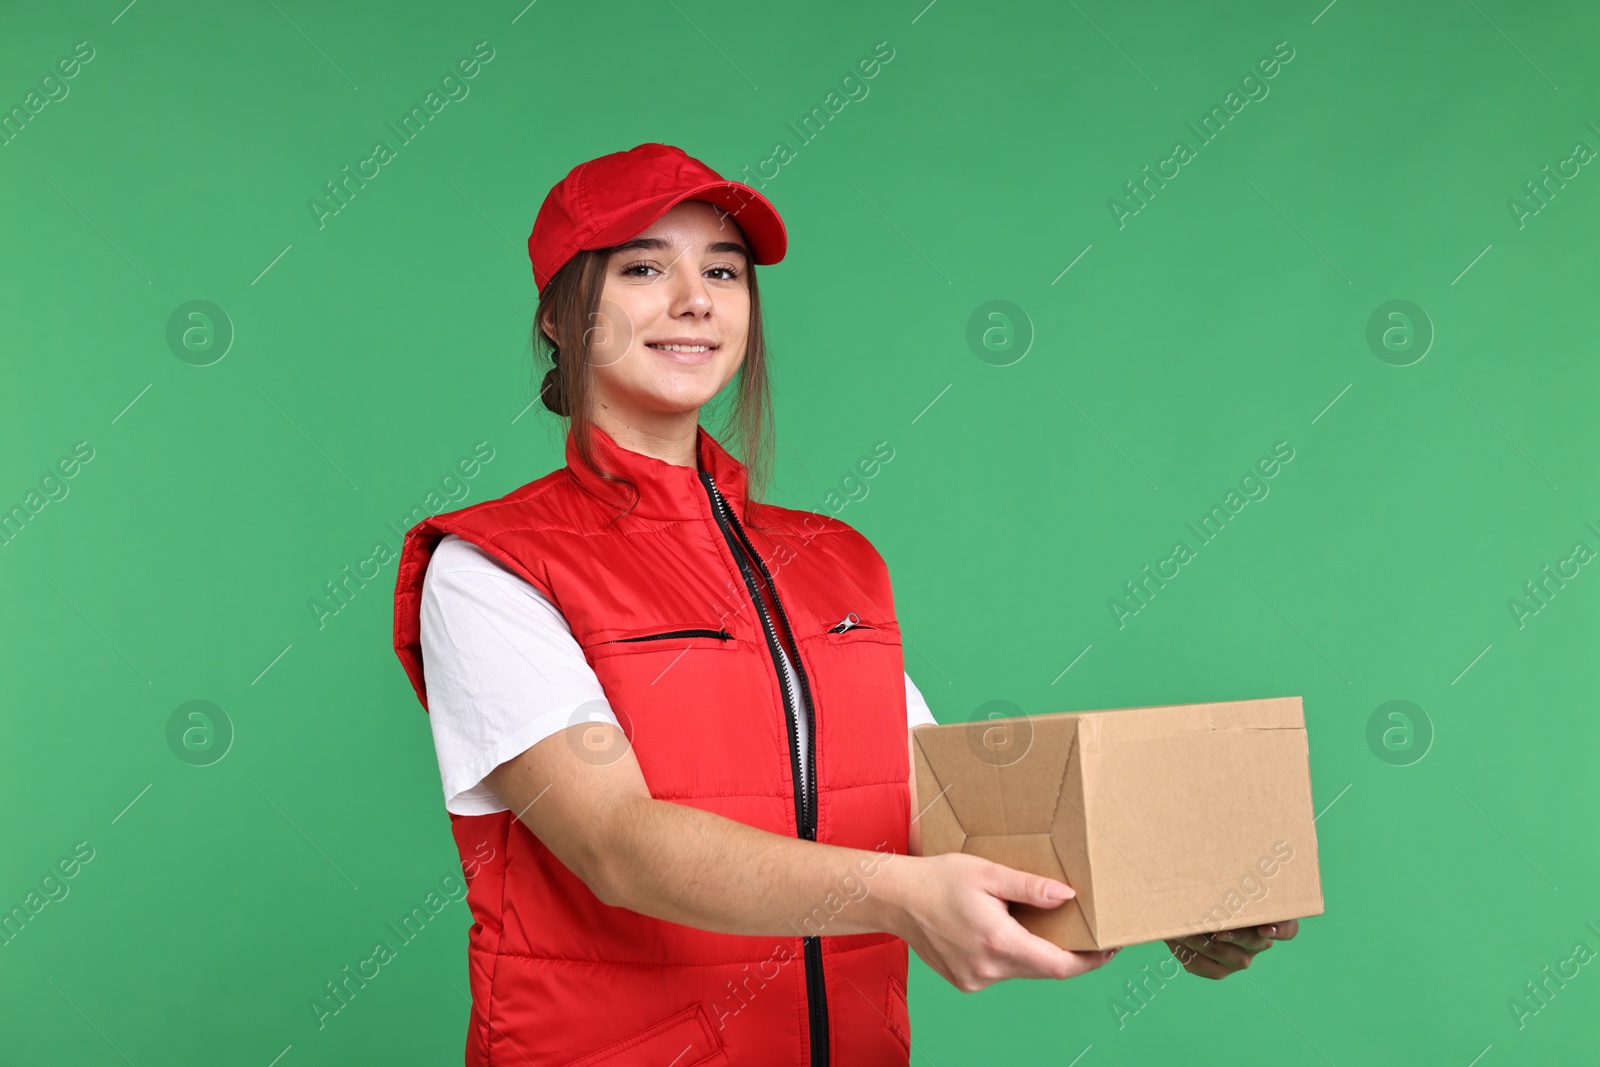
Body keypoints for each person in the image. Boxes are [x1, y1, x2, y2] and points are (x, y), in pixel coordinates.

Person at [391, 142, 1296, 1066]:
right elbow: (617, 846)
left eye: (723, 271)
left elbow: (950, 815)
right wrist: (902, 895)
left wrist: (1166, 894)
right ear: (558, 313)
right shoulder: (493, 568)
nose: (695, 298)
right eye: (643, 268)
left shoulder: (836, 562)